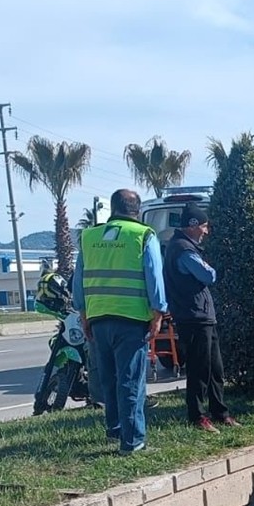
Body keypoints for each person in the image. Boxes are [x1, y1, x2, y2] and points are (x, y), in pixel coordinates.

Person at [73, 189, 168, 453]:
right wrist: (158, 313)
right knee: (131, 380)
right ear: (136, 210)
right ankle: (133, 441)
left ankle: (114, 429)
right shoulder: (143, 235)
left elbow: (78, 280)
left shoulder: (89, 237)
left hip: (98, 318)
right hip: (131, 318)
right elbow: (154, 277)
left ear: (112, 208)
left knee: (109, 378)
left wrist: (83, 313)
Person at [163, 203, 238, 432]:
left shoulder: (184, 246)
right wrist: (210, 269)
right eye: (204, 226)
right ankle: (198, 416)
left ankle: (220, 412)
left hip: (203, 316)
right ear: (193, 226)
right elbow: (207, 275)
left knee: (215, 369)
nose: (206, 231)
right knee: (198, 369)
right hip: (193, 316)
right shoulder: (183, 249)